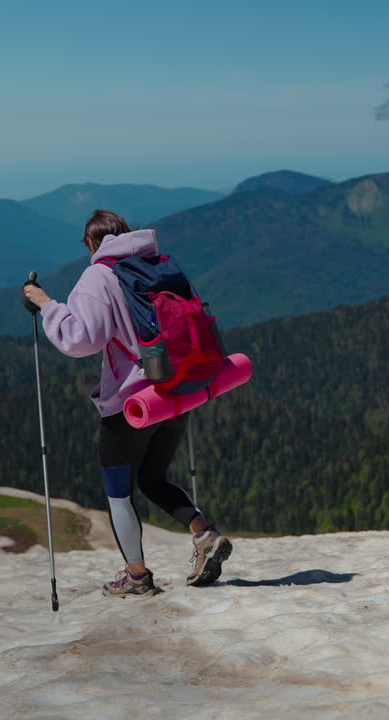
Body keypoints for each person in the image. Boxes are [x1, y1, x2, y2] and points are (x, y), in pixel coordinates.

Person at [22, 209, 232, 598]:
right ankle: (204, 535)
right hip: (173, 391)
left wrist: (47, 304)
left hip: (131, 404)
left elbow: (80, 340)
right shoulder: (159, 264)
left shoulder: (98, 276)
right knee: (154, 479)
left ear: (91, 243)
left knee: (118, 493)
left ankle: (137, 577)